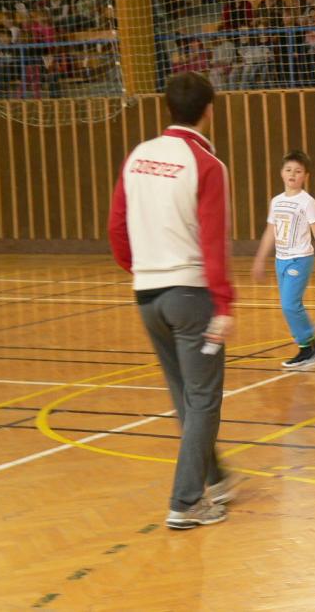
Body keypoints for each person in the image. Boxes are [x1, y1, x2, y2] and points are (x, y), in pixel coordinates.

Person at [108, 72, 236, 529]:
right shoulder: (207, 165)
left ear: (168, 108)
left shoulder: (138, 156)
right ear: (209, 111)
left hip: (147, 297)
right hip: (191, 297)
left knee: (187, 396)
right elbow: (214, 242)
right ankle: (186, 502)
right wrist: (224, 305)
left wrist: (143, 271)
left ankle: (216, 478)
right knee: (203, 400)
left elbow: (116, 228)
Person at [251, 150, 315, 368]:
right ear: (281, 173)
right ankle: (307, 346)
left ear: (306, 176)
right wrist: (260, 259)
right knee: (288, 305)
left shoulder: (307, 202)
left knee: (289, 305)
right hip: (281, 260)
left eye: (298, 171)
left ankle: (310, 342)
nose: (292, 174)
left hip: (300, 259)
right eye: (288, 170)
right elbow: (270, 232)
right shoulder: (276, 201)